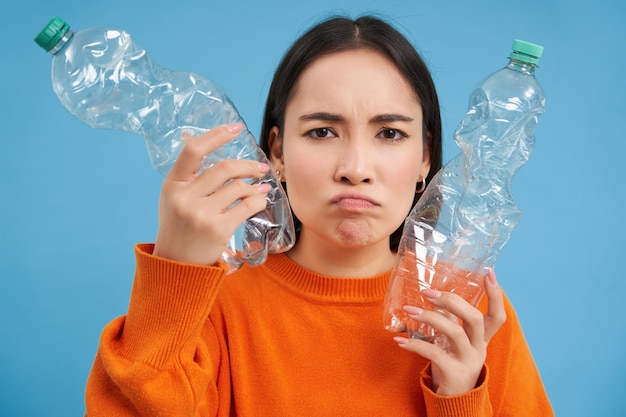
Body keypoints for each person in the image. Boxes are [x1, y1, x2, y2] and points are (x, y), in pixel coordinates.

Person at [85, 15, 553, 417]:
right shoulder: (214, 307)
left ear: (426, 158)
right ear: (277, 152)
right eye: (323, 131)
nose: (355, 170)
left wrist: (461, 398)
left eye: (389, 133)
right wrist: (174, 274)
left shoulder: (466, 316)